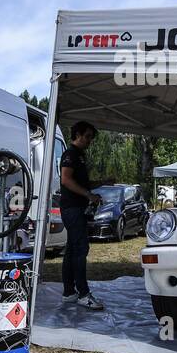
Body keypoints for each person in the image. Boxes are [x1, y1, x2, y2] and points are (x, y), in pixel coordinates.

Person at [58, 120, 106, 311]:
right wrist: (88, 195)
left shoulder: (79, 156)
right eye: (87, 137)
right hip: (72, 209)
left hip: (76, 208)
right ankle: (83, 294)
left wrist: (101, 183)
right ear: (77, 134)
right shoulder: (70, 154)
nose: (89, 141)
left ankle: (69, 292)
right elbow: (66, 180)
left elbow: (80, 183)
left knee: (71, 250)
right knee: (80, 249)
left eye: (91, 138)